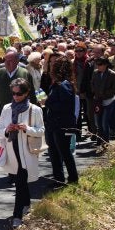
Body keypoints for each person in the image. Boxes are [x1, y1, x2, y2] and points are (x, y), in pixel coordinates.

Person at [0, 78, 44, 228]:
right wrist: (7, 130)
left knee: (20, 181)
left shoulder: (35, 110)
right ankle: (27, 203)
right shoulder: (7, 108)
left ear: (27, 92)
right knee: (20, 180)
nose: (16, 96)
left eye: (19, 93)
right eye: (13, 93)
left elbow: (41, 131)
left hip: (27, 151)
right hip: (12, 149)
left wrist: (27, 128)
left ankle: (17, 216)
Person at [44, 56, 79, 185]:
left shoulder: (64, 84)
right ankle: (58, 178)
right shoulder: (59, 83)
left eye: (53, 66)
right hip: (54, 123)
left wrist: (47, 103)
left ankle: (73, 178)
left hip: (61, 124)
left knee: (63, 151)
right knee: (54, 151)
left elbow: (65, 106)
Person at [0, 51, 37, 123]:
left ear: (17, 61)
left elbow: (31, 93)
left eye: (10, 60)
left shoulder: (25, 73)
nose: (7, 63)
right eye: (6, 60)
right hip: (3, 111)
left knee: (20, 132)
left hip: (22, 111)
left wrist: (33, 110)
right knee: (4, 132)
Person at [90, 56, 115, 153]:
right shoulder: (95, 73)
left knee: (104, 123)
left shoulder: (112, 74)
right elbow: (92, 84)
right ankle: (99, 142)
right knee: (98, 123)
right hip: (98, 101)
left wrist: (106, 93)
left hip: (108, 101)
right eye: (97, 64)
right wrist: (95, 92)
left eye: (100, 64)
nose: (98, 66)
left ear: (106, 64)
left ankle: (105, 142)